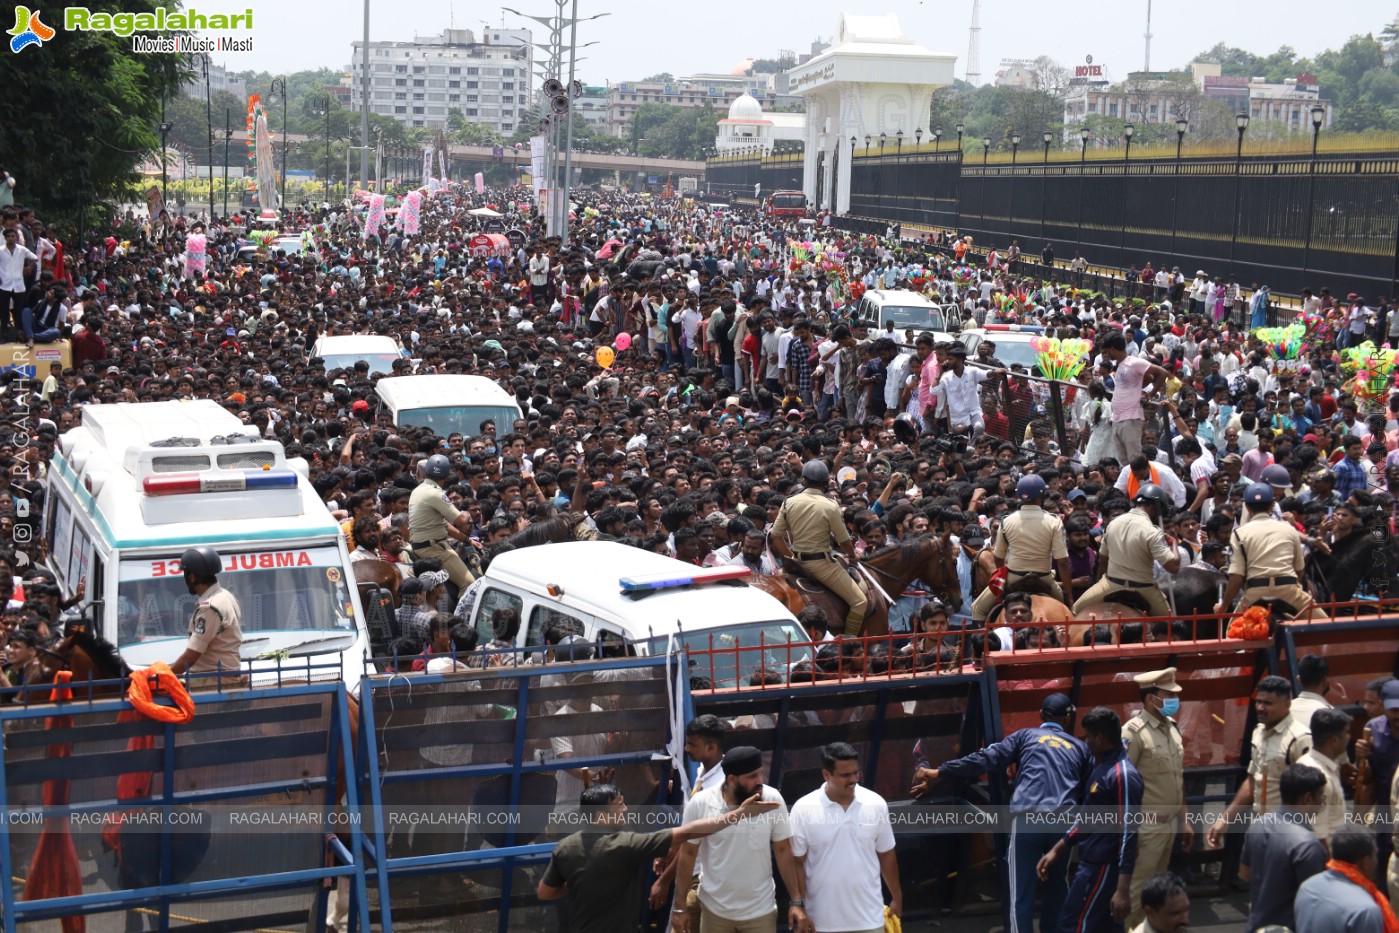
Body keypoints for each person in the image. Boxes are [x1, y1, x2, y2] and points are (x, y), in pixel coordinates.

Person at [913, 693, 1091, 933]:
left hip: (1028, 820)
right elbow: (1089, 790)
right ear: (1068, 718)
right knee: (1058, 887)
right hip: (1063, 823)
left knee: (1021, 891)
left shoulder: (1026, 736)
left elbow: (985, 758)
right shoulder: (1080, 748)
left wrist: (940, 772)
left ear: (1041, 715)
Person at [537, 782, 780, 933]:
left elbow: (545, 893)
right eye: (619, 806)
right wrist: (737, 814)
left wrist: (579, 882)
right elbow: (688, 831)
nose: (626, 810)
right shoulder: (627, 845)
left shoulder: (565, 848)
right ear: (600, 816)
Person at [669, 745, 806, 933]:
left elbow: (783, 850)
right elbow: (688, 854)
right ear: (732, 779)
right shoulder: (701, 803)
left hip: (761, 912)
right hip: (714, 911)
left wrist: (796, 901)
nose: (760, 781)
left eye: (760, 774)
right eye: (752, 777)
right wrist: (679, 907)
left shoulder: (772, 799)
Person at [1036, 707, 1144, 933]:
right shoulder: (1102, 767)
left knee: (1074, 926)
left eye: (1089, 737)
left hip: (1102, 867)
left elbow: (1128, 832)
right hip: (1092, 862)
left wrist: (1122, 889)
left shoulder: (1122, 775)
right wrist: (1059, 848)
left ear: (1102, 738)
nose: (1086, 742)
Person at [789, 742, 901, 933]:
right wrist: (799, 905)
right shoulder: (803, 809)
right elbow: (797, 862)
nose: (854, 779)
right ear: (826, 775)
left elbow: (886, 854)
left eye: (856, 773)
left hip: (870, 920)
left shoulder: (876, 803)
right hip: (820, 923)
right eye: (845, 775)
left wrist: (897, 897)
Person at [1207, 675, 1313, 848]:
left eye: (1268, 703)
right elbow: (1252, 781)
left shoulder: (1300, 739)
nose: (1261, 708)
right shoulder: (1259, 732)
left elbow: (1313, 793)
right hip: (1259, 827)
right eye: (1258, 702)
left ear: (1287, 704)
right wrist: (1225, 819)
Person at [1121, 668, 1191, 928]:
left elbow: (1178, 779)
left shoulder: (1172, 729)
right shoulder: (1133, 733)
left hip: (1168, 826)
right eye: (1167, 695)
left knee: (1157, 895)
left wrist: (1185, 820)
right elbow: (1123, 786)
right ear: (1151, 699)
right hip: (1145, 828)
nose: (1174, 700)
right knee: (1136, 894)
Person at [768, 459, 868, 635]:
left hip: (797, 562)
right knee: (860, 603)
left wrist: (791, 557)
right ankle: (848, 643)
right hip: (821, 565)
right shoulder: (830, 505)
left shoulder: (789, 501)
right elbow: (844, 541)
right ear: (825, 483)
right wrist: (852, 556)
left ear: (804, 480)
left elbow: (775, 536)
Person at [969, 475, 1073, 626]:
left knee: (977, 609)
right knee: (1069, 610)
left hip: (1014, 578)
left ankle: (979, 646)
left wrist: (1002, 578)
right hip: (1044, 578)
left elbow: (998, 558)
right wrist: (1069, 597)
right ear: (1042, 495)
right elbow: (1063, 562)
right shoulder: (1054, 521)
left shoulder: (1007, 521)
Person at [1239, 763, 1329, 932]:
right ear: (1308, 798)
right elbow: (1315, 901)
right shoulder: (1308, 846)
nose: (1323, 802)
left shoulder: (1257, 826)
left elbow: (1245, 874)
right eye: (1321, 796)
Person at [1072, 484, 1178, 617]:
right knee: (1169, 623)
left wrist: (1099, 582)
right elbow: (1174, 567)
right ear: (1152, 507)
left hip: (1111, 584)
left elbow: (1103, 560)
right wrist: (1174, 543)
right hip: (1144, 588)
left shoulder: (1113, 524)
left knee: (1075, 610)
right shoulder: (1152, 531)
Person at [1214, 484, 1311, 616]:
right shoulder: (1289, 529)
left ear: (1247, 507)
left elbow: (1236, 578)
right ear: (1272, 505)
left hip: (1256, 594)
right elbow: (1299, 570)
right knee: (1324, 626)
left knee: (1231, 634)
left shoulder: (1239, 533)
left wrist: (1224, 606)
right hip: (1289, 590)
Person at [1294, 826, 1396, 933]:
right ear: (1366, 862)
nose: (1376, 860)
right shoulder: (1365, 910)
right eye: (1375, 854)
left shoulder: (1307, 887)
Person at [168, 546, 243, 679]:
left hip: (212, 683)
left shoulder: (210, 607)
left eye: (185, 573)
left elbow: (191, 656)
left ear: (192, 576)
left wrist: (162, 675)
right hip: (222, 678)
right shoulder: (226, 596)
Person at [408, 454, 474, 596]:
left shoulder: (418, 490)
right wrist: (467, 514)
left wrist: (468, 540)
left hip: (422, 545)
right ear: (446, 476)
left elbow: (444, 525)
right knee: (469, 583)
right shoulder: (436, 494)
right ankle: (460, 617)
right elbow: (461, 521)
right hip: (433, 549)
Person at [1099, 331, 1170, 463]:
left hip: (1130, 418)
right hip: (1118, 418)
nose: (1107, 354)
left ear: (1112, 349)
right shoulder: (1121, 365)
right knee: (1124, 462)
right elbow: (1148, 377)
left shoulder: (1134, 362)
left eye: (1107, 350)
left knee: (1135, 461)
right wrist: (1136, 388)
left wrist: (1151, 393)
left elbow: (1162, 372)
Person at [1297, 707, 1352, 847]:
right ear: (1334, 740)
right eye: (1346, 733)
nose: (1349, 737)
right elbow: (1318, 836)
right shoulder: (1321, 778)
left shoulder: (1305, 761)